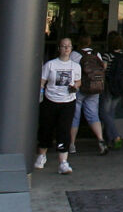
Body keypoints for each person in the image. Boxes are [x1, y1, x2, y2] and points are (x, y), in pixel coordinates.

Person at [34, 37, 81, 175]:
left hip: (68, 102)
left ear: (71, 49)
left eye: (69, 46)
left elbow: (78, 81)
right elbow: (42, 81)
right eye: (64, 46)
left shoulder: (75, 66)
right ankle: (42, 155)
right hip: (50, 100)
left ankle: (63, 161)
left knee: (64, 130)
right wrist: (40, 94)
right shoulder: (50, 65)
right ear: (59, 48)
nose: (66, 49)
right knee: (46, 128)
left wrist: (75, 86)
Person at [70, 33, 109, 155]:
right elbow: (103, 68)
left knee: (75, 116)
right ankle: (101, 140)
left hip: (79, 88)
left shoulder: (75, 55)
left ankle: (72, 144)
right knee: (93, 115)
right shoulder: (96, 54)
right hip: (94, 88)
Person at [101, 30, 123, 149]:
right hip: (120, 86)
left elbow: (103, 69)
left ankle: (115, 136)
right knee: (111, 112)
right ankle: (110, 139)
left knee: (104, 113)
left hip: (109, 86)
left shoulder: (107, 55)